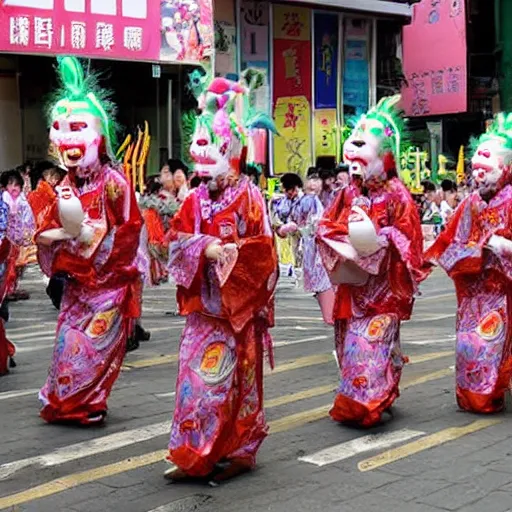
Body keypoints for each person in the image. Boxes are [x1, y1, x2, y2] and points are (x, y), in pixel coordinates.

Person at [164, 74, 278, 483]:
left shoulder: (250, 196)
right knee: (195, 383)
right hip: (203, 313)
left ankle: (234, 450)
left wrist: (232, 256)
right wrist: (204, 247)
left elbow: (264, 254)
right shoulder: (194, 198)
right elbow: (174, 240)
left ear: (230, 148)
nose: (199, 155)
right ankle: (193, 452)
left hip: (238, 315)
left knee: (232, 383)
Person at [35, 56, 142, 425]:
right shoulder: (64, 186)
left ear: (99, 135)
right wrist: (54, 239)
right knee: (67, 346)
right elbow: (47, 227)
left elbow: (129, 230)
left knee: (94, 348)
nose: (68, 138)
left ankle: (90, 403)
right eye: (61, 128)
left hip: (108, 284)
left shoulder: (115, 182)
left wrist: (92, 243)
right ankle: (64, 401)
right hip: (77, 287)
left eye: (78, 127)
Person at [317, 96, 426, 427]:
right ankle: (369, 395)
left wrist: (381, 239)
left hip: (383, 290)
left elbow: (411, 241)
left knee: (370, 345)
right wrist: (341, 240)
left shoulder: (397, 195)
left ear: (386, 154)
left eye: (364, 143)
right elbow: (327, 223)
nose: (353, 151)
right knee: (354, 347)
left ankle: (368, 402)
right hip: (355, 288)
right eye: (353, 140)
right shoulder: (348, 192)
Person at [425, 113, 512, 414]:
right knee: (467, 343)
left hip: (501, 291)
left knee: (491, 343)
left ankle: (488, 395)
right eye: (476, 171)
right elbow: (450, 239)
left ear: (506, 168)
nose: (479, 177)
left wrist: (503, 247)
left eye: (486, 170)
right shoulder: (471, 202)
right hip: (474, 290)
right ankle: (468, 393)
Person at [1, 170, 35, 301]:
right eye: (10, 184)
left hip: (19, 237)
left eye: (16, 184)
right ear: (4, 186)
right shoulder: (3, 200)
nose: (14, 187)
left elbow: (28, 218)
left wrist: (28, 233)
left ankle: (12, 288)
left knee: (19, 265)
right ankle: (6, 289)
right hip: (5, 238)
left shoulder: (23, 202)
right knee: (7, 265)